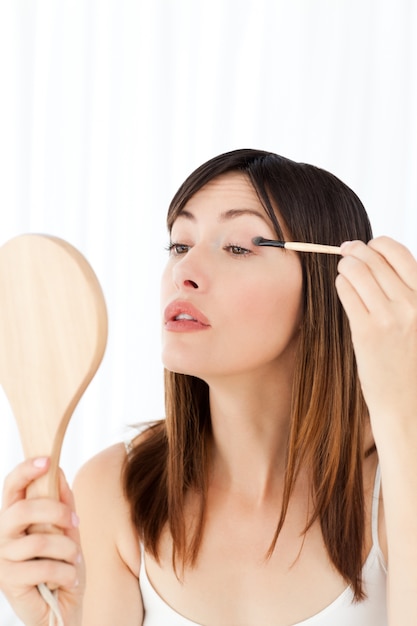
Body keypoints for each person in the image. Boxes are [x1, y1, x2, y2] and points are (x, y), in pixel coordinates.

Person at [0, 148, 416, 625]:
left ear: (329, 286)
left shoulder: (394, 480)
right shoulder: (117, 492)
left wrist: (400, 407)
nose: (184, 272)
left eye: (238, 247)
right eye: (179, 245)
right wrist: (55, 619)